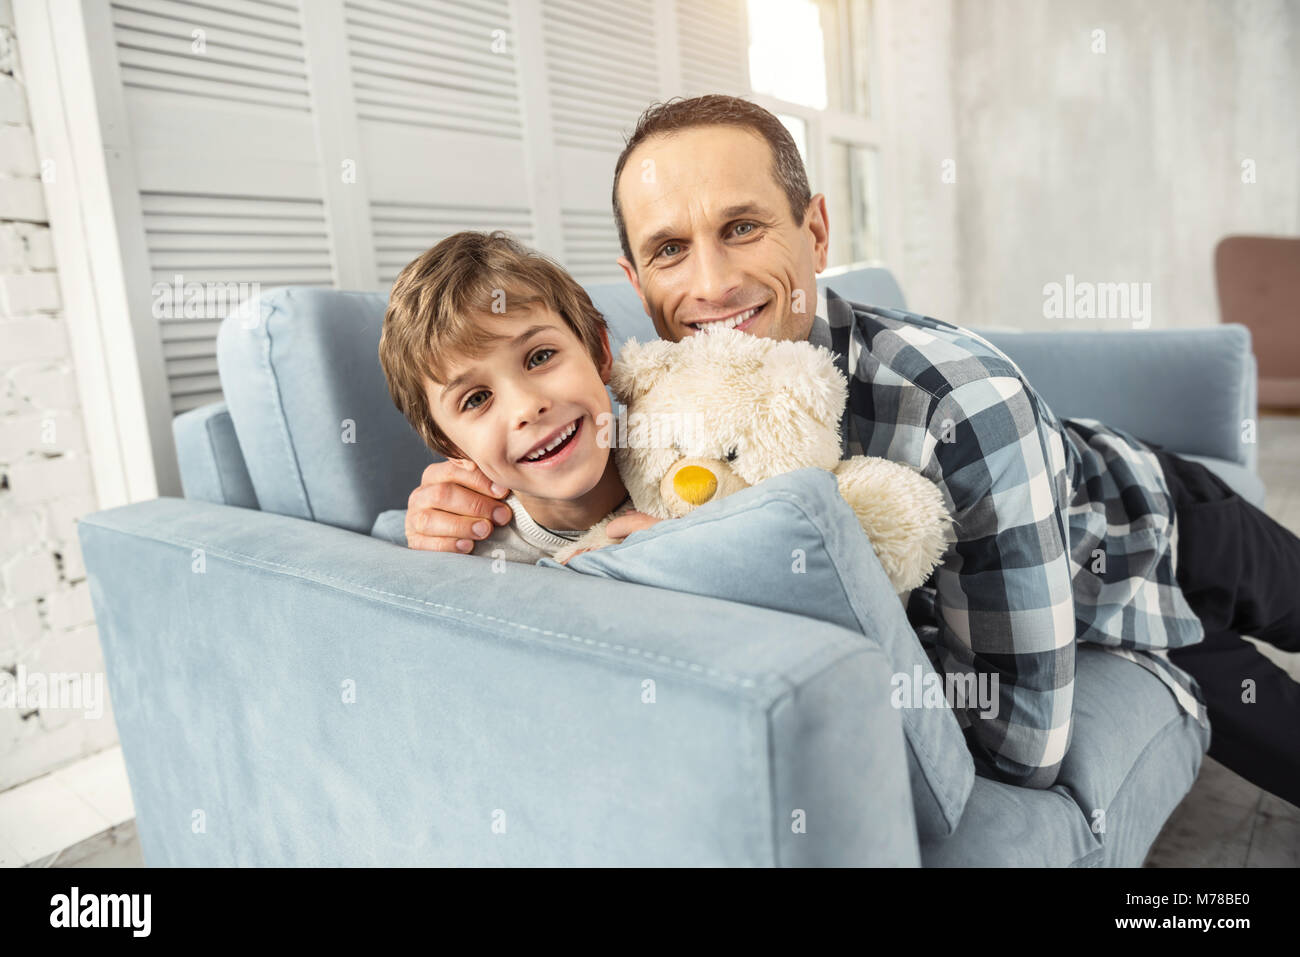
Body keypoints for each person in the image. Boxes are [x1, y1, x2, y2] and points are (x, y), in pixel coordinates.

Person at [401, 94, 1300, 802]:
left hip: (1152, 520)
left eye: (743, 227)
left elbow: (1019, 747)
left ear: (817, 231)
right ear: (634, 292)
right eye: (671, 249)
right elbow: (529, 459)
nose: (711, 284)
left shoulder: (959, 401)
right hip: (1081, 610)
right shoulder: (616, 401)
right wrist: (440, 510)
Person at [378, 229, 636, 565]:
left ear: (600, 352)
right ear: (450, 447)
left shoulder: (698, 451)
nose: (526, 407)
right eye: (476, 399)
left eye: (540, 357)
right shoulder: (467, 553)